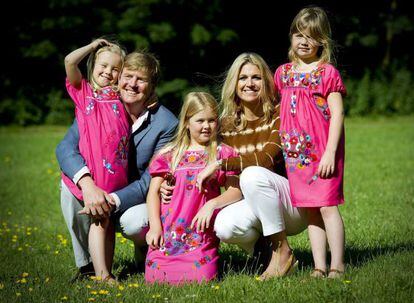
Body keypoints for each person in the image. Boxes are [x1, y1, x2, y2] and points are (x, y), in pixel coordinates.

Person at [162, 53, 308, 280]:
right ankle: (265, 254)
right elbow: (194, 157)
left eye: (256, 77)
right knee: (224, 225)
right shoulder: (226, 126)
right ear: (234, 84)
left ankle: (282, 251)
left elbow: (267, 159)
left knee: (251, 175)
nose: (249, 83)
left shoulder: (280, 113)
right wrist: (167, 183)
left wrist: (220, 163)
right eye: (243, 78)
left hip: (292, 203)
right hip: (253, 201)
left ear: (266, 82)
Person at [56, 50, 178, 282]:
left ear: (152, 86)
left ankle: (145, 249)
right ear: (119, 77)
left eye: (141, 80)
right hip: (99, 186)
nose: (132, 84)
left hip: (137, 198)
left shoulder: (166, 123)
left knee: (135, 223)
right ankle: (88, 266)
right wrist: (87, 184)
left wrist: (111, 200)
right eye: (128, 76)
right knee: (69, 185)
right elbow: (65, 148)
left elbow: (151, 177)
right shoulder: (99, 104)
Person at [274, 6, 346, 278]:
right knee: (311, 210)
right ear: (291, 37)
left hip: (323, 152)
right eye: (298, 34)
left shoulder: (327, 73)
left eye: (311, 36)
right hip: (296, 157)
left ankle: (338, 264)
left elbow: (337, 113)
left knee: (327, 206)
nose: (303, 41)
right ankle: (319, 266)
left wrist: (330, 153)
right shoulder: (282, 74)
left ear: (322, 41)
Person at [145, 92, 242, 285]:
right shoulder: (168, 155)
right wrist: (155, 226)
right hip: (168, 232)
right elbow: (153, 194)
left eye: (212, 120)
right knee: (154, 280)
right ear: (187, 122)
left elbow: (236, 192)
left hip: (200, 235)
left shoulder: (223, 154)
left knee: (203, 278)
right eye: (200, 120)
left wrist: (212, 205)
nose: (207, 126)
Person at [62, 37, 128, 283]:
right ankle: (102, 274)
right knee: (99, 219)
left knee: (106, 223)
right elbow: (69, 60)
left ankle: (103, 270)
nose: (108, 72)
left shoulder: (121, 97)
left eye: (115, 69)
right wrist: (91, 47)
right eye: (103, 66)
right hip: (93, 174)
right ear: (93, 66)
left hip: (116, 176)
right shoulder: (84, 92)